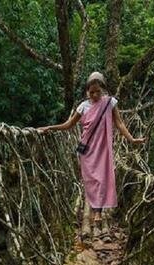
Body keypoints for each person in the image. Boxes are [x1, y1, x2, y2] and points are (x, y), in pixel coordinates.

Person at [38, 72, 145, 223]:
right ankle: (95, 207)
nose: (94, 95)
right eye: (91, 92)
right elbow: (69, 124)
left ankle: (98, 213)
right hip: (87, 149)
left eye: (97, 91)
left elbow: (119, 123)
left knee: (102, 178)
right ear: (87, 91)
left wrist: (131, 139)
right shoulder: (83, 106)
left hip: (103, 147)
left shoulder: (110, 103)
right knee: (90, 180)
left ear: (103, 90)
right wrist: (51, 127)